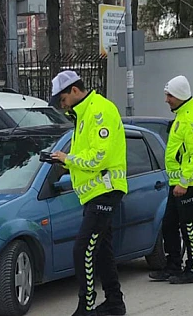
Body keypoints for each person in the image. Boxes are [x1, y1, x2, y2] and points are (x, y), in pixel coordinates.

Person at [49, 71, 128, 316]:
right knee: (102, 249)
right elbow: (87, 154)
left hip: (105, 190)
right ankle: (115, 302)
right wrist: (66, 163)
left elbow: (99, 156)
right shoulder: (82, 114)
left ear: (74, 90)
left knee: (82, 249)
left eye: (62, 99)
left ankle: (87, 306)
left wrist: (68, 158)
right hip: (95, 192)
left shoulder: (98, 110)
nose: (61, 106)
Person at [149, 75, 193, 284]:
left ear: (181, 95)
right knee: (169, 224)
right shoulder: (182, 114)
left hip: (189, 185)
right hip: (177, 184)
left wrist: (184, 183)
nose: (167, 100)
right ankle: (173, 265)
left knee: (189, 227)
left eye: (170, 96)